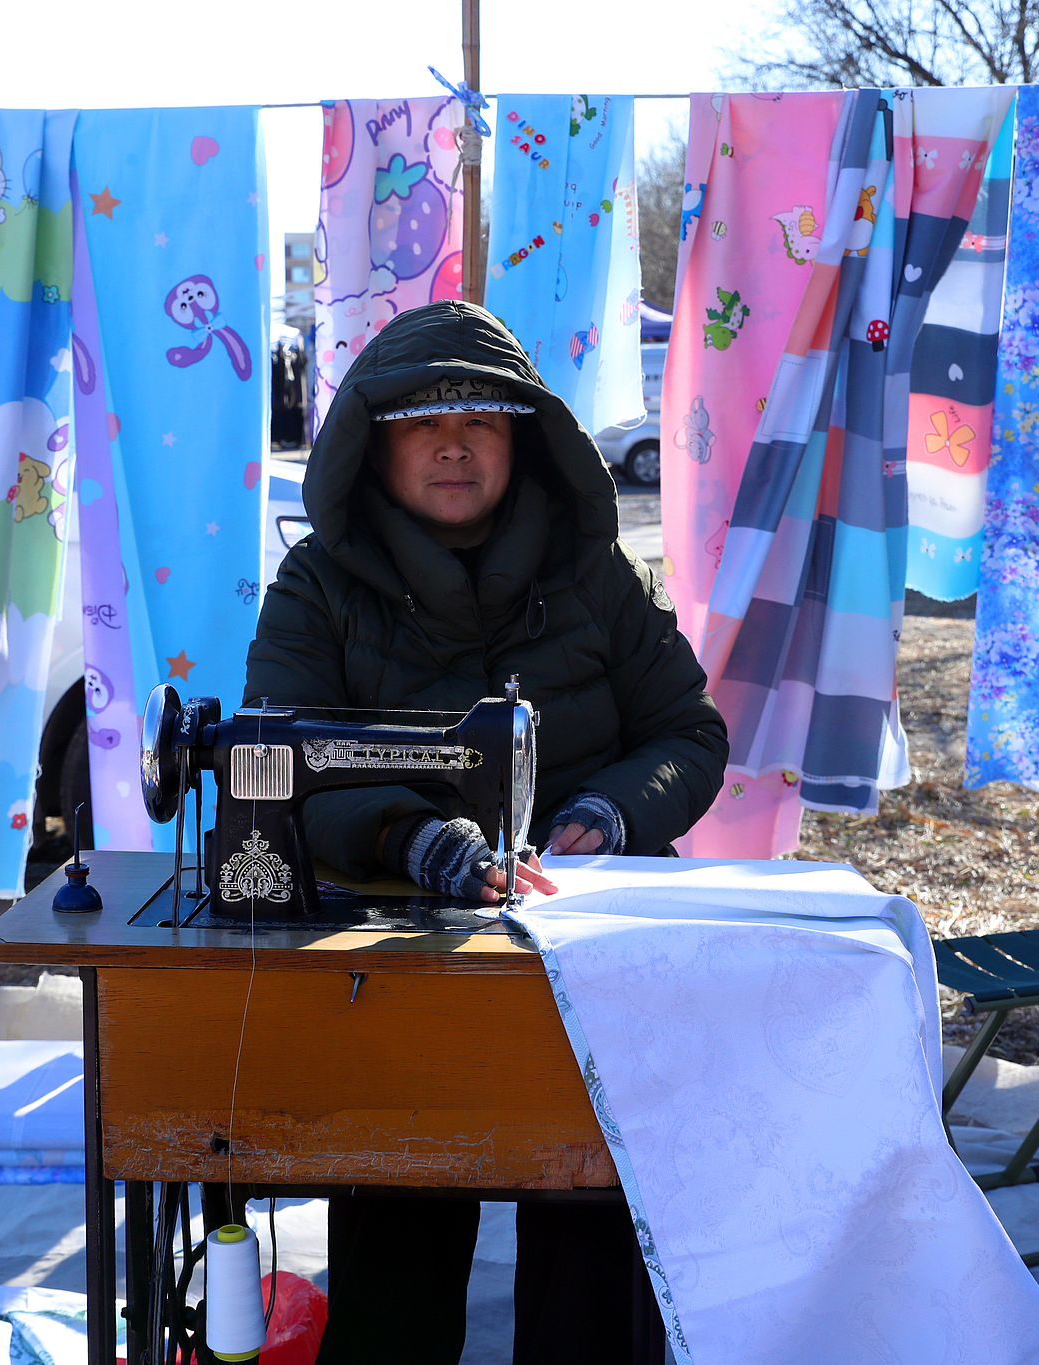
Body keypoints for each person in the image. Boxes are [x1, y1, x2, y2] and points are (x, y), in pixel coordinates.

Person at [245, 300, 728, 1365]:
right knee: (398, 1219)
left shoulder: (596, 579)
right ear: (373, 443)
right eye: (420, 422)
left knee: (591, 1210)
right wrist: (418, 844)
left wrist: (606, 817)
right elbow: (276, 763)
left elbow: (684, 735)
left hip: (587, 949)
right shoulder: (318, 589)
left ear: (525, 441)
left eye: (481, 421)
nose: (452, 444)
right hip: (393, 954)